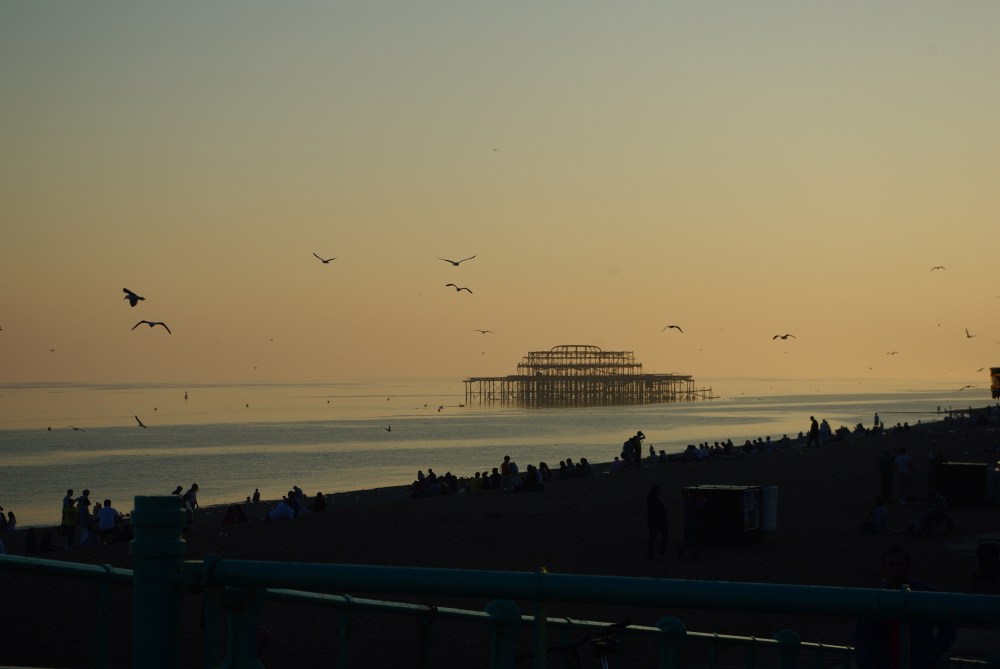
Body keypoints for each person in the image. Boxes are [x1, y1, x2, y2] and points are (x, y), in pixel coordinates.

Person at [853, 545, 956, 669]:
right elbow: (861, 634)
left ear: (909, 567)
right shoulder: (878, 597)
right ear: (884, 569)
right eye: (891, 565)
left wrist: (928, 656)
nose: (895, 569)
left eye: (899, 565)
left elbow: (948, 630)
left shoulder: (923, 594)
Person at [645, 484, 669, 558]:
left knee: (653, 537)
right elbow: (657, 511)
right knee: (663, 535)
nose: (660, 492)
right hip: (656, 521)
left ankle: (652, 553)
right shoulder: (653, 499)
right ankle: (659, 552)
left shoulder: (651, 498)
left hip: (654, 520)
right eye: (659, 490)